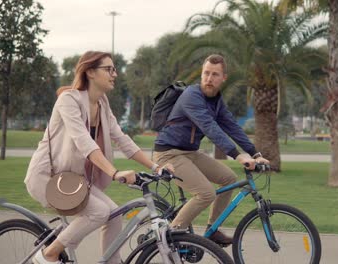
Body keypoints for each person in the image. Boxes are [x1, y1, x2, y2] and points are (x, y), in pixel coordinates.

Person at [24, 51, 173, 264]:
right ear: (91, 72)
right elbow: (84, 141)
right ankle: (49, 254)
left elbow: (122, 139)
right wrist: (115, 172)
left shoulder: (102, 103)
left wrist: (156, 167)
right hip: (49, 177)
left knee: (114, 214)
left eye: (115, 69)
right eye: (109, 69)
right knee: (99, 212)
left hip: (73, 179)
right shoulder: (69, 100)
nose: (115, 74)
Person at [153, 54, 269, 246]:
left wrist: (255, 154)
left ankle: (212, 229)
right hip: (168, 153)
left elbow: (232, 127)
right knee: (206, 193)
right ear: (201, 75)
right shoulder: (191, 95)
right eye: (206, 73)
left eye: (215, 74)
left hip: (189, 152)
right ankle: (170, 238)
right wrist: (238, 155)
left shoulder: (216, 101)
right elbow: (210, 127)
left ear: (224, 78)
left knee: (229, 178)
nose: (209, 78)